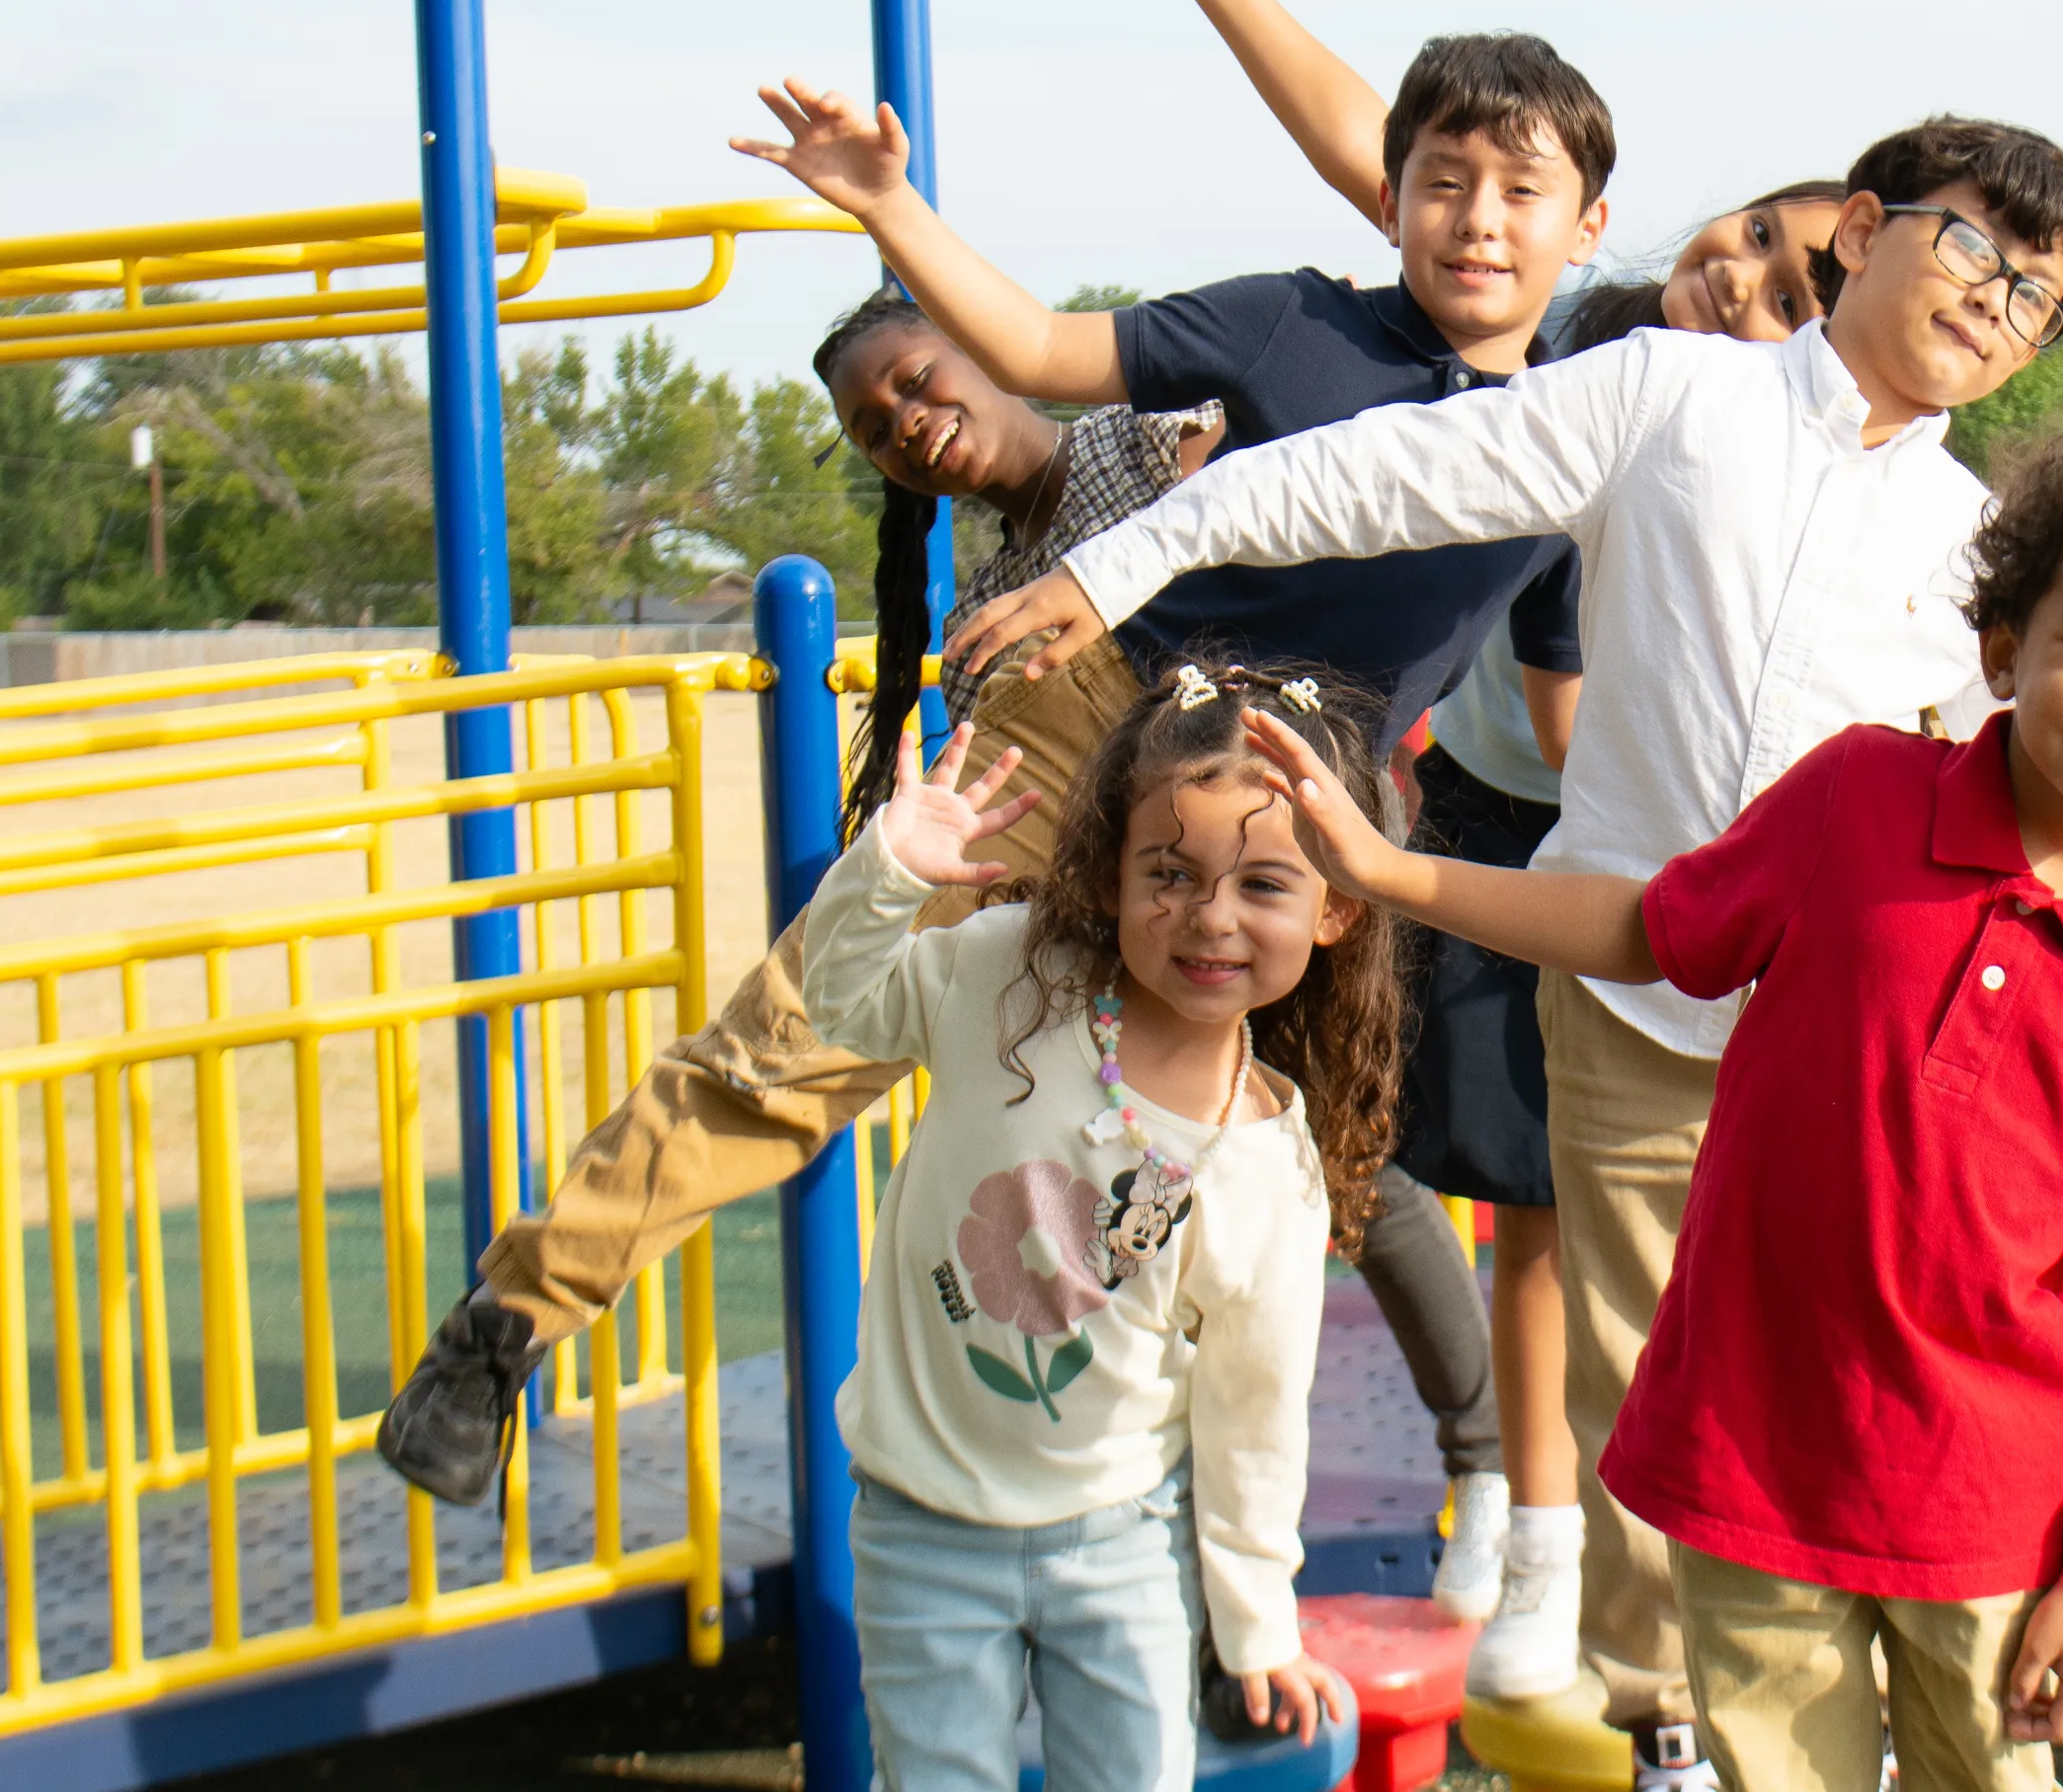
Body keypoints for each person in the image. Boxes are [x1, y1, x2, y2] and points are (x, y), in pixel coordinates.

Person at [952, 116, 2063, 1788]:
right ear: (1862, 230)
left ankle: (1878, 1720)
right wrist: (1133, 550)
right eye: (1968, 247)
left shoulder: (1977, 543)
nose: (1995, 302)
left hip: (1848, 1034)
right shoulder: (1674, 394)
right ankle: (1669, 1724)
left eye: (2037, 296)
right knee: (1654, 1392)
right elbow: (1366, 477)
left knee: (1875, 1370)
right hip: (1633, 990)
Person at [1244, 402, 2063, 1790]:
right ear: (2003, 648)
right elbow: (1652, 930)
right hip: (1752, 1465)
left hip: (1988, 1513)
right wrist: (1392, 873)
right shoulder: (1858, 803)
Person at [373, 286, 1497, 1534]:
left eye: (914, 380)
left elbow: (1335, 488)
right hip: (1080, 768)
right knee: (786, 1049)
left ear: (986, 341)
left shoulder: (1153, 435)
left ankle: (1488, 1465)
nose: (903, 423)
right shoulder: (992, 608)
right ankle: (505, 1326)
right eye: (870, 426)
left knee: (1338, 1145)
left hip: (1227, 777)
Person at [1110, 0, 1842, 1669]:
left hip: (1568, 847)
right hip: (1446, 810)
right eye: (1741, 238)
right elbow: (1410, 160)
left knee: (1551, 1212)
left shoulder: (1750, 454)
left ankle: (1549, 1546)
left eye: (1781, 290)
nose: (1732, 280)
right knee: (1406, 1164)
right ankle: (1492, 1511)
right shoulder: (1582, 334)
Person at [796, 662, 1394, 1790]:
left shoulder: (1268, 1171)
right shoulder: (1005, 977)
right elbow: (836, 1002)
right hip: (921, 1523)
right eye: (1166, 873)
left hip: (1122, 1541)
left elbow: (1252, 1422)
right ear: (1110, 870)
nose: (1207, 917)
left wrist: (1256, 1622)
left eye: (1263, 885)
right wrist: (885, 873)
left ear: (1337, 911)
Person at [1112, 0, 1845, 349]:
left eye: (1787, 301)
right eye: (1758, 232)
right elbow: (1372, 145)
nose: (1736, 278)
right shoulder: (1556, 327)